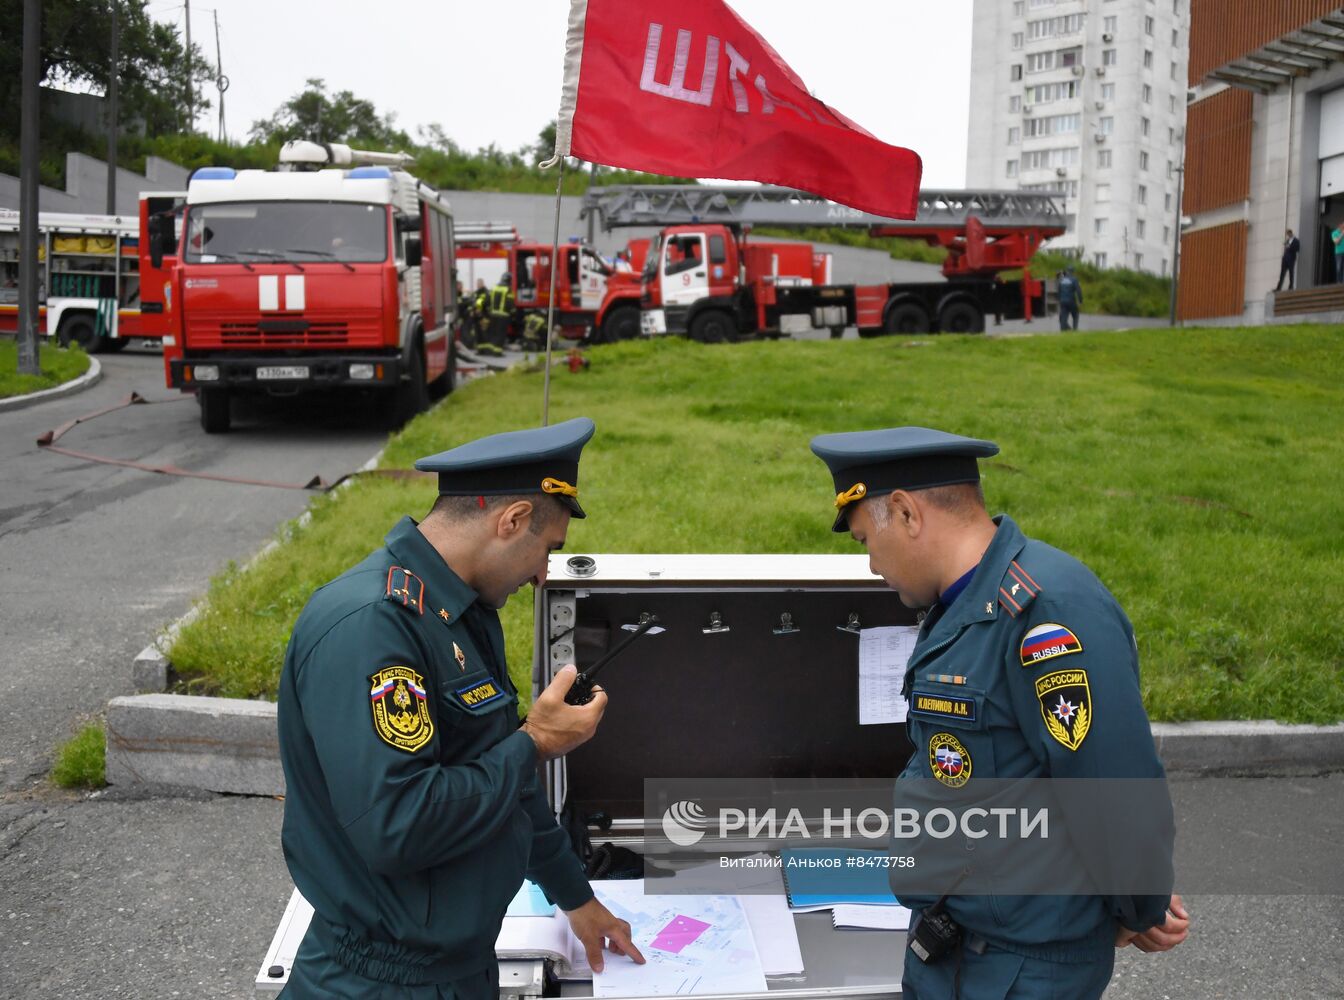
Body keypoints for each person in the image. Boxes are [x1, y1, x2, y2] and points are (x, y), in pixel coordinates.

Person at [809, 426, 1189, 1000]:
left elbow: (1113, 788)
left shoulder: (1047, 613)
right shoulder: (959, 604)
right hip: (953, 946)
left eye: (866, 540)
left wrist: (1140, 905)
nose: (869, 565)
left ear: (908, 514)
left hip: (1022, 970)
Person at [277, 418, 645, 998]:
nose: (542, 575)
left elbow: (504, 780)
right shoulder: (374, 626)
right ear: (513, 520)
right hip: (379, 982)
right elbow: (398, 826)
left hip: (459, 967)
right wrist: (535, 742)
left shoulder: (463, 613)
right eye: (547, 550)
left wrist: (575, 896)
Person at [481, 272, 514, 357]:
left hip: (493, 315)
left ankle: (491, 351)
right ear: (509, 280)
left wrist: (486, 313)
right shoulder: (508, 289)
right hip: (503, 316)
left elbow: (486, 301)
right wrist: (513, 312)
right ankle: (497, 352)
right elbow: (510, 303)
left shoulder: (494, 288)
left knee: (493, 333)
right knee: (500, 334)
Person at [1058, 266, 1082, 331]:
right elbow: (1078, 291)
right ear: (1073, 272)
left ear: (1066, 271)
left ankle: (1063, 331)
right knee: (1075, 315)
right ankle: (1074, 329)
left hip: (1063, 301)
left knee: (1063, 317)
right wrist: (1080, 301)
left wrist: (1060, 300)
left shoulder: (1061, 280)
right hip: (1071, 301)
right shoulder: (1074, 279)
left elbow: (1059, 291)